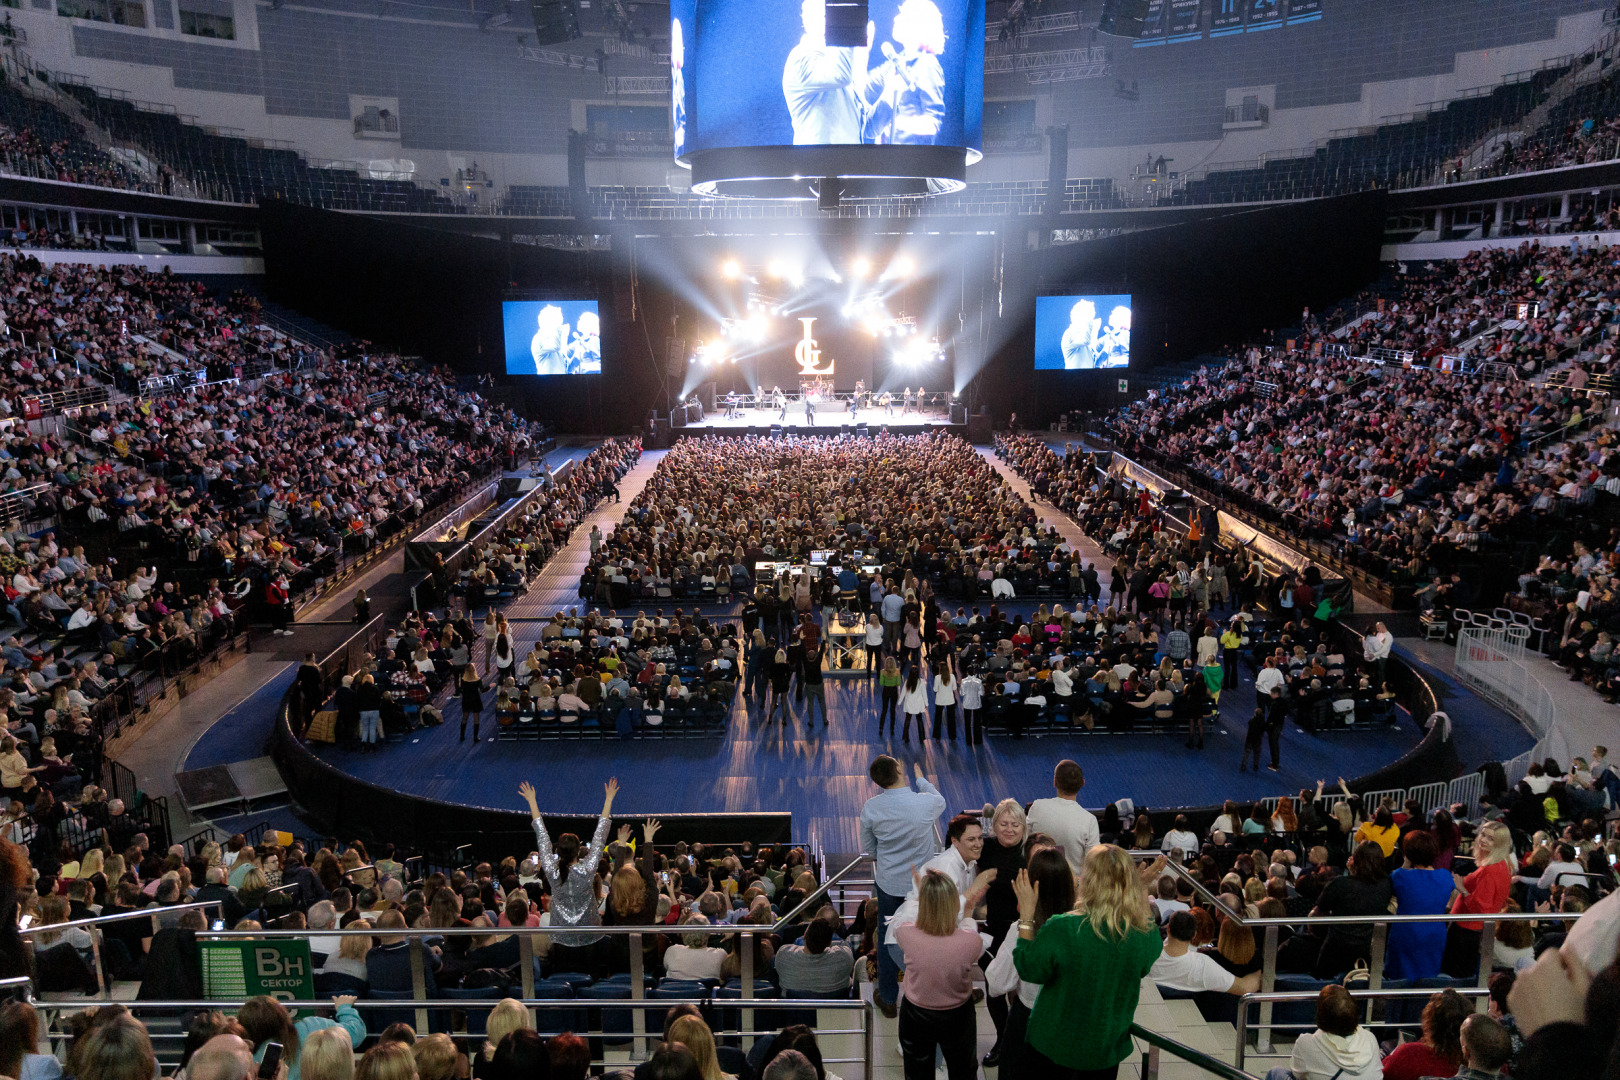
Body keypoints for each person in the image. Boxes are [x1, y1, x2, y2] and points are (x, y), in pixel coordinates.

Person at [1013, 844, 1164, 1078]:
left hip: (1054, 1048)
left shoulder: (1063, 927)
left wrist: (1026, 916)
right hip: (1104, 1051)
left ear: (1090, 880)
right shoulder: (1144, 935)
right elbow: (1145, 949)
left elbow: (1028, 968)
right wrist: (1142, 888)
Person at [859, 755, 945, 1017]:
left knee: (888, 939)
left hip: (888, 885)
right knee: (927, 936)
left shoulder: (871, 807)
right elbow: (939, 799)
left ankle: (887, 997)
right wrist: (921, 778)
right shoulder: (924, 803)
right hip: (920, 889)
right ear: (899, 769)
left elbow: (868, 849)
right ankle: (930, 988)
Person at [891, 868, 986, 1080]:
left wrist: (919, 893)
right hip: (958, 1015)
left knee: (917, 1071)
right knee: (963, 1070)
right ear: (953, 904)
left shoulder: (906, 934)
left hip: (916, 1013)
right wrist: (968, 909)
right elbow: (970, 928)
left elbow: (906, 916)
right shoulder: (970, 941)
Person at [519, 777, 617, 973]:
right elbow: (600, 837)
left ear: (558, 851)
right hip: (588, 934)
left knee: (562, 978)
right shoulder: (587, 869)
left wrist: (532, 802)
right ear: (579, 850)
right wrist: (608, 800)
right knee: (590, 977)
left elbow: (542, 836)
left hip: (562, 935)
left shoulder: (552, 870)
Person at [782, 0, 869, 145]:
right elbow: (840, 76)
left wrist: (890, 99)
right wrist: (847, 25)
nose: (834, 19)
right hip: (818, 164)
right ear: (807, 19)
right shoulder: (800, 58)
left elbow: (865, 128)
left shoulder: (838, 59)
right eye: (830, 13)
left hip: (850, 162)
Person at [1311, 842, 1393, 979]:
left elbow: (1320, 910)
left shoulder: (1339, 884)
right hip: (1367, 951)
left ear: (1356, 860)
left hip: (1335, 950)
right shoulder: (1386, 885)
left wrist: (1352, 871)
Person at [1263, 985, 1382, 1080]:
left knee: (1276, 1073)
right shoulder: (1370, 1038)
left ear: (1320, 1015)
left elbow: (1297, 1075)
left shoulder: (1307, 1044)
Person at [238, 994, 368, 1080]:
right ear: (282, 1013)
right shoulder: (313, 1025)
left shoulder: (249, 1061)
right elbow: (356, 1034)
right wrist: (344, 1008)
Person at [1442, 821, 1513, 979]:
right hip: (1472, 929)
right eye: (1483, 835)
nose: (1484, 840)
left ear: (1500, 843)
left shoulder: (1489, 870)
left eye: (1491, 839)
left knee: (1455, 976)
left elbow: (1480, 908)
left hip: (1466, 930)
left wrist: (1462, 888)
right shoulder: (1503, 864)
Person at [1386, 829, 1455, 982]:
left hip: (1405, 933)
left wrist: (1406, 861)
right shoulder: (1445, 876)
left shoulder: (1400, 876)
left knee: (1399, 981)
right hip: (1434, 934)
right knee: (1428, 980)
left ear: (1408, 853)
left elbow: (1395, 878)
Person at [1151, 910, 1261, 997]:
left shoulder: (1147, 955)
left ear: (1168, 929)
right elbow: (1244, 988)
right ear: (1194, 935)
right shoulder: (1203, 965)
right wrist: (1260, 972)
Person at [1025, 759, 1100, 877]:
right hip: (1073, 888)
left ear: (1054, 782)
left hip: (1038, 882)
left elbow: (1026, 844)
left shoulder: (1037, 807)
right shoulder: (1089, 821)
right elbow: (1093, 863)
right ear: (1082, 783)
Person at [1380, 988, 1470, 1080]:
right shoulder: (1473, 1062)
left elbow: (1379, 1075)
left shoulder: (1408, 1053)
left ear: (1429, 1022)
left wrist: (1393, 1055)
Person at [460, 662, 485, 743]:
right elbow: (482, 690)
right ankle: (475, 737)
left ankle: (462, 736)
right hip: (476, 700)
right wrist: (490, 686)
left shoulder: (463, 680)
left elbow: (461, 690)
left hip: (466, 700)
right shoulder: (477, 680)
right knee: (476, 719)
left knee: (464, 718)